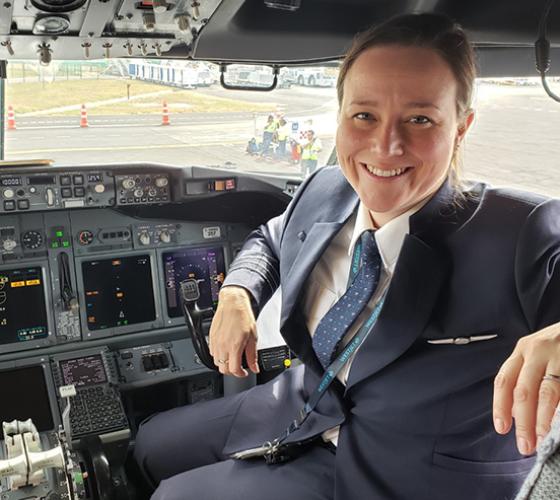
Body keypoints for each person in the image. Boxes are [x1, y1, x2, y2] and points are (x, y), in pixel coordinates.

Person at [134, 13, 560, 500]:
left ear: (461, 128)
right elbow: (273, 239)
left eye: (420, 119)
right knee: (148, 445)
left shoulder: (523, 230)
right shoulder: (326, 187)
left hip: (411, 473)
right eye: (365, 115)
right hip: (303, 403)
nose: (386, 145)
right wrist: (237, 292)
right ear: (340, 116)